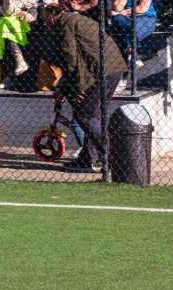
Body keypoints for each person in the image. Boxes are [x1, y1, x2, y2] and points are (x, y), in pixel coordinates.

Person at [45, 0, 127, 173]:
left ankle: (115, 158)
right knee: (92, 114)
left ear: (52, 16)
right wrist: (70, 89)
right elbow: (78, 60)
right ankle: (86, 159)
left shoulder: (65, 23)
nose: (46, 24)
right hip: (110, 68)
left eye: (46, 19)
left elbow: (70, 59)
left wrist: (67, 89)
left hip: (105, 70)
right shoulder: (73, 19)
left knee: (86, 116)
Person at [0, 0, 38, 88]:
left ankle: (20, 65)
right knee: (7, 25)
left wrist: (23, 13)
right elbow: (5, 12)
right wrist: (20, 12)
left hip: (30, 10)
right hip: (13, 18)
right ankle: (12, 73)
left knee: (8, 28)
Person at [109, 0, 156, 67]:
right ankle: (131, 55)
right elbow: (117, 8)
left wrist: (121, 12)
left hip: (146, 17)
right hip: (124, 18)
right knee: (118, 19)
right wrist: (119, 12)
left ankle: (130, 54)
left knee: (132, 30)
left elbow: (142, 9)